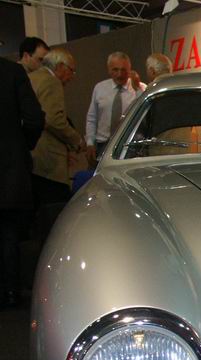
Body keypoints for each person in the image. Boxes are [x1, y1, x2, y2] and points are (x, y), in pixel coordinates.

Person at [0, 58, 44, 308]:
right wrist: (21, 145)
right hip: (10, 167)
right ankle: (11, 291)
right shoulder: (12, 72)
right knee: (10, 233)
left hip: (12, 165)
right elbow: (35, 118)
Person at [28, 49, 82, 245]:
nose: (71, 77)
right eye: (71, 70)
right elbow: (53, 119)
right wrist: (76, 140)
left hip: (31, 158)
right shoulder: (52, 82)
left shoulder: (31, 77)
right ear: (60, 67)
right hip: (49, 161)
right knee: (55, 218)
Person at [86, 52, 145, 164]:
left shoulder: (139, 88)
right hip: (103, 144)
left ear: (130, 70)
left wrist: (137, 88)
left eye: (123, 70)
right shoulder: (100, 88)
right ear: (109, 70)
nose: (119, 74)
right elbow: (92, 118)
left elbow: (143, 114)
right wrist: (90, 142)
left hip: (129, 145)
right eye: (115, 70)